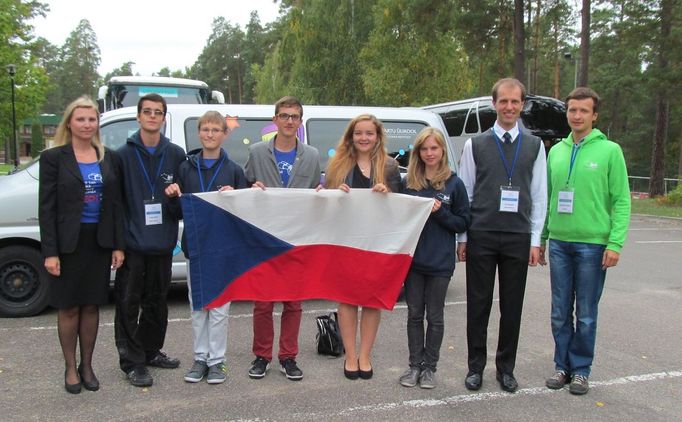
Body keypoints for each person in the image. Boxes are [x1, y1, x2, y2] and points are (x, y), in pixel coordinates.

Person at [457, 78, 547, 393]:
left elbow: (539, 195)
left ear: (522, 105)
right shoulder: (475, 144)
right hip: (481, 233)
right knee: (478, 305)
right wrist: (463, 238)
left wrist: (535, 239)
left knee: (512, 307)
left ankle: (505, 368)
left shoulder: (535, 146)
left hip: (517, 237)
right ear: (493, 104)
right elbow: (465, 191)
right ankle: (475, 368)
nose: (509, 107)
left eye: (515, 102)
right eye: (503, 101)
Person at [540, 87, 631, 395]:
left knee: (587, 312)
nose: (576, 116)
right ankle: (562, 366)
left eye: (583, 111)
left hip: (593, 245)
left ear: (594, 115)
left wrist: (615, 243)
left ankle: (581, 369)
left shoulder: (610, 151)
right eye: (572, 110)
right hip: (560, 243)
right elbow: (549, 198)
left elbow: (621, 200)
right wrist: (541, 238)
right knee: (559, 310)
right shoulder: (556, 151)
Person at [39, 96, 125, 394]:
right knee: (69, 308)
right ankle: (70, 367)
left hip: (98, 243)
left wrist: (117, 245)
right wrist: (50, 252)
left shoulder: (108, 157)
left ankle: (87, 365)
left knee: (91, 306)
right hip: (67, 245)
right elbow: (46, 209)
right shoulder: (54, 158)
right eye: (81, 119)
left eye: (92, 119)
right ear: (70, 123)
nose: (87, 124)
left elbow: (115, 205)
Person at [165, 111, 248, 384]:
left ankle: (218, 361)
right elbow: (177, 211)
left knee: (220, 306)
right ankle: (200, 358)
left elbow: (245, 212)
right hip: (196, 246)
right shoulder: (187, 167)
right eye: (205, 129)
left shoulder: (234, 169)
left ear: (224, 134)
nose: (210, 134)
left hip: (223, 247)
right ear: (199, 133)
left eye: (215, 130)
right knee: (198, 305)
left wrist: (236, 197)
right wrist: (173, 196)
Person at [244, 96, 321, 381]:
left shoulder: (312, 155)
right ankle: (261, 356)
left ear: (300, 122)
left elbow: (316, 190)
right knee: (263, 302)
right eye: (284, 115)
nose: (289, 121)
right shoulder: (256, 152)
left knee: (293, 303)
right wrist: (251, 187)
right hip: (264, 237)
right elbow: (245, 187)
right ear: (274, 119)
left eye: (295, 116)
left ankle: (288, 357)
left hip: (297, 238)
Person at [114, 93, 187, 387]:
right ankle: (132, 362)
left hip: (162, 242)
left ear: (164, 118)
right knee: (129, 303)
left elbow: (182, 204)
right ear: (139, 117)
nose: (153, 116)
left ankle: (151, 350)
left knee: (157, 302)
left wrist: (174, 199)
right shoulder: (122, 155)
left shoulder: (176, 154)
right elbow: (116, 205)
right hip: (133, 244)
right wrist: (118, 244)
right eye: (147, 112)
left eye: (158, 112)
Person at [323, 114, 401, 380]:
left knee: (371, 300)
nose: (364, 138)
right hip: (346, 242)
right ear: (351, 136)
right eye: (359, 133)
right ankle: (350, 355)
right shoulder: (337, 165)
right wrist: (333, 194)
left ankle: (365, 355)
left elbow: (401, 207)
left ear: (378, 137)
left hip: (377, 243)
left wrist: (387, 194)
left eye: (369, 133)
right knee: (346, 299)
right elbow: (324, 202)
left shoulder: (390, 166)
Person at [398, 128, 470, 389]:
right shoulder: (408, 182)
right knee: (414, 315)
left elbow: (463, 221)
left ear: (442, 151)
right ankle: (414, 366)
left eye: (434, 148)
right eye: (424, 149)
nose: (429, 153)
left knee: (435, 317)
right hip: (413, 261)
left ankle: (430, 368)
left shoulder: (454, 183)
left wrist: (440, 213)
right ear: (418, 152)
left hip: (440, 262)